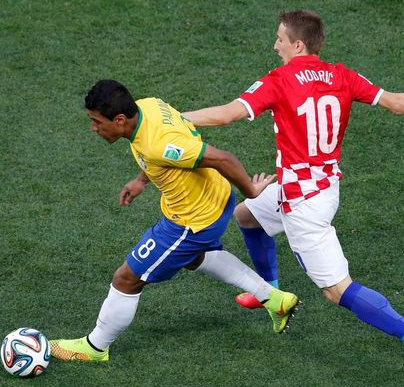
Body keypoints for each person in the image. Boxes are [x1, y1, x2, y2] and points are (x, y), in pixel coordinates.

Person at [183, 9, 404, 378]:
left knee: (336, 290)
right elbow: (397, 102)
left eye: (280, 39)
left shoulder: (279, 79)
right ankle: (272, 295)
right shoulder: (340, 75)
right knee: (247, 215)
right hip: (320, 186)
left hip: (302, 204)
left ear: (298, 44)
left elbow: (225, 115)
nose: (275, 45)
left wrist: (172, 117)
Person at [50, 79, 301, 363]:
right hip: (214, 197)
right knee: (193, 258)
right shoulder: (149, 106)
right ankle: (275, 300)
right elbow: (170, 143)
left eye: (97, 122)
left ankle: (95, 347)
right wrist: (142, 179)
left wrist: (252, 191)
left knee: (127, 278)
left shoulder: (159, 144)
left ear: (119, 120)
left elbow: (223, 158)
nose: (94, 128)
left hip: (192, 221)